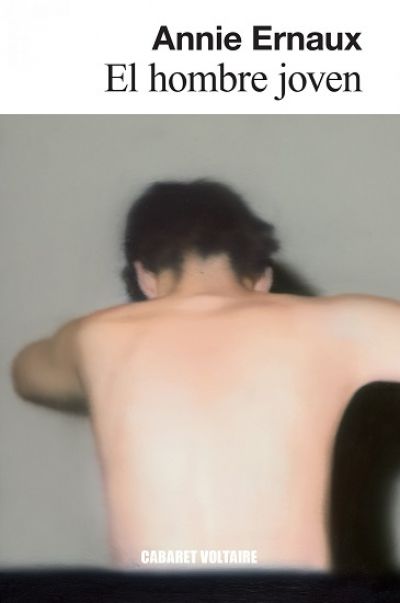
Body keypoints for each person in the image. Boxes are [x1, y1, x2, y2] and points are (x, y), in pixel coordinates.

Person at [11, 180, 400, 571]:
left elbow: (24, 373)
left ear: (145, 277)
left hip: (149, 592)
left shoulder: (94, 337)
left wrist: (91, 363)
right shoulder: (336, 326)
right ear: (263, 279)